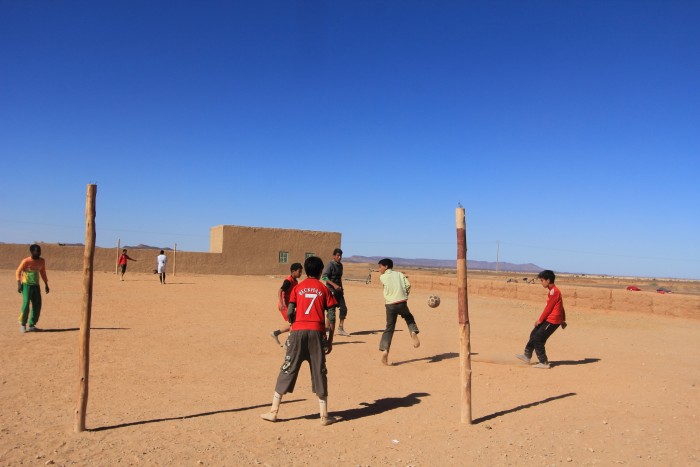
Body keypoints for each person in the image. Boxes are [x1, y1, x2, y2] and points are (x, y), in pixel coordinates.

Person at [260, 256, 338, 426]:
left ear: (306, 270)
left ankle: (273, 411)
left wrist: (295, 322)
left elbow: (289, 312)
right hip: (317, 334)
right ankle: (324, 416)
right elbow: (331, 316)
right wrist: (330, 339)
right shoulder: (325, 290)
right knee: (319, 370)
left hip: (298, 332)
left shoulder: (298, 287)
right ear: (319, 271)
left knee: (288, 367)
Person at [516, 269, 567, 369]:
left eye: (542, 280)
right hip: (550, 318)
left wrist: (540, 320)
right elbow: (560, 306)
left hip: (553, 320)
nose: (541, 282)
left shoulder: (554, 292)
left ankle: (544, 362)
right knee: (534, 334)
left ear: (548, 280)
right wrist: (563, 319)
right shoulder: (552, 291)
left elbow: (549, 308)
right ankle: (527, 355)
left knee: (539, 339)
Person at [377, 258, 420, 365]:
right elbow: (408, 285)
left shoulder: (382, 277)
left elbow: (387, 286)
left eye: (380, 266)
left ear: (386, 266)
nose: (379, 269)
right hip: (402, 302)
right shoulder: (400, 274)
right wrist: (405, 295)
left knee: (389, 328)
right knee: (408, 317)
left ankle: (385, 350)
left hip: (390, 305)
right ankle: (413, 331)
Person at [16, 244, 50, 333]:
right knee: (26, 303)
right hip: (27, 285)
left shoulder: (42, 261)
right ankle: (23, 323)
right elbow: (18, 271)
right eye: (37, 251)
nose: (39, 252)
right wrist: (19, 284)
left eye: (40, 251)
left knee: (37, 305)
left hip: (36, 286)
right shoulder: (26, 261)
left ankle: (32, 324)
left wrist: (46, 284)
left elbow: (43, 272)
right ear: (32, 252)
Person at [270, 262, 303, 347]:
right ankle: (287, 343)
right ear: (293, 271)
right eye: (299, 271)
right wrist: (281, 302)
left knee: (294, 323)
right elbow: (280, 290)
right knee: (295, 324)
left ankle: (275, 333)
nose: (300, 273)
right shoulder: (288, 281)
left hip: (289, 305)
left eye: (301, 271)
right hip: (284, 306)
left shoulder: (295, 281)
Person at [322, 248, 349, 336]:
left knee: (344, 308)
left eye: (340, 255)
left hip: (339, 290)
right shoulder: (330, 264)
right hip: (331, 290)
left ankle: (340, 328)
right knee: (331, 310)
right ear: (334, 256)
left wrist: (342, 288)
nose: (339, 257)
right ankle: (326, 328)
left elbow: (339, 278)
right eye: (337, 255)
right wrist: (334, 285)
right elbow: (324, 277)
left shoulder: (340, 265)